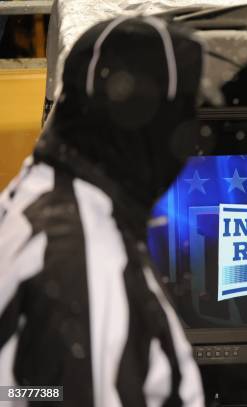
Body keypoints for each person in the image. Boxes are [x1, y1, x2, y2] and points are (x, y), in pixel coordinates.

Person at [0, 16, 205, 406]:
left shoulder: (37, 196)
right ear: (149, 125)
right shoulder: (85, 256)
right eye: (184, 115)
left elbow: (28, 392)